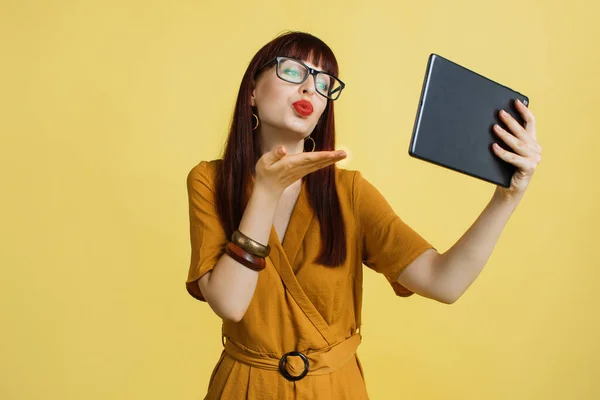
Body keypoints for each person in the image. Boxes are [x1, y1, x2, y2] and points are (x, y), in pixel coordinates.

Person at [184, 31, 541, 399]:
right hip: (245, 389)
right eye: (293, 71)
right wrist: (267, 190)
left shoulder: (349, 193)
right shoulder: (209, 181)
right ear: (252, 93)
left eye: (324, 83)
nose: (310, 88)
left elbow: (443, 282)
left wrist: (507, 197)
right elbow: (229, 303)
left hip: (335, 390)